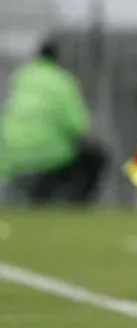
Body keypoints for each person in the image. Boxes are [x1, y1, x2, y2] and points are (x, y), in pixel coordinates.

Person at [0, 41, 106, 205]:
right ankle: (76, 206)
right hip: (47, 155)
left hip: (9, 155)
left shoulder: (20, 77)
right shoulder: (62, 79)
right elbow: (78, 126)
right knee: (95, 157)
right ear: (57, 59)